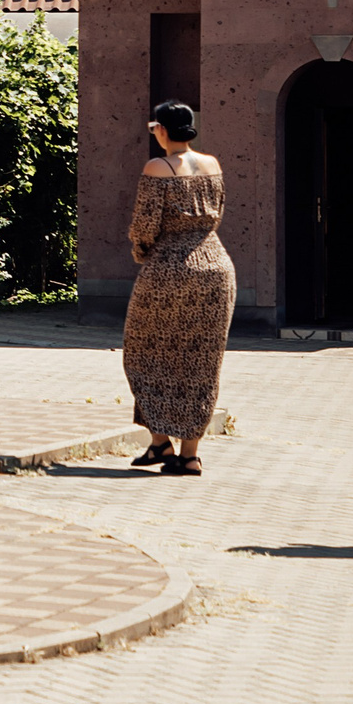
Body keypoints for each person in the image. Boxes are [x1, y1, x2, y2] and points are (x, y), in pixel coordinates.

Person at [122, 101, 236, 476]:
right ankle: (186, 454)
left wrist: (143, 253)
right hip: (216, 266)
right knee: (201, 361)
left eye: (156, 127)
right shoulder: (213, 164)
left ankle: (160, 440)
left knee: (143, 353)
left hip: (169, 268)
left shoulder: (158, 167)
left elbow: (145, 225)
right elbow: (217, 212)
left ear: (163, 130)